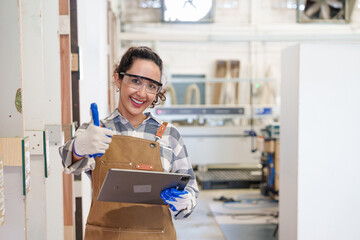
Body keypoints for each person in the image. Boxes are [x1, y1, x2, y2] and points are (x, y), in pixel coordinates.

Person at [59, 46, 199, 239]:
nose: (142, 93)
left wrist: (186, 201)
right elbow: (68, 163)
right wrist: (79, 146)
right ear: (118, 79)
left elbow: (190, 187)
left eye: (151, 86)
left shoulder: (169, 134)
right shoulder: (96, 130)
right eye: (135, 81)